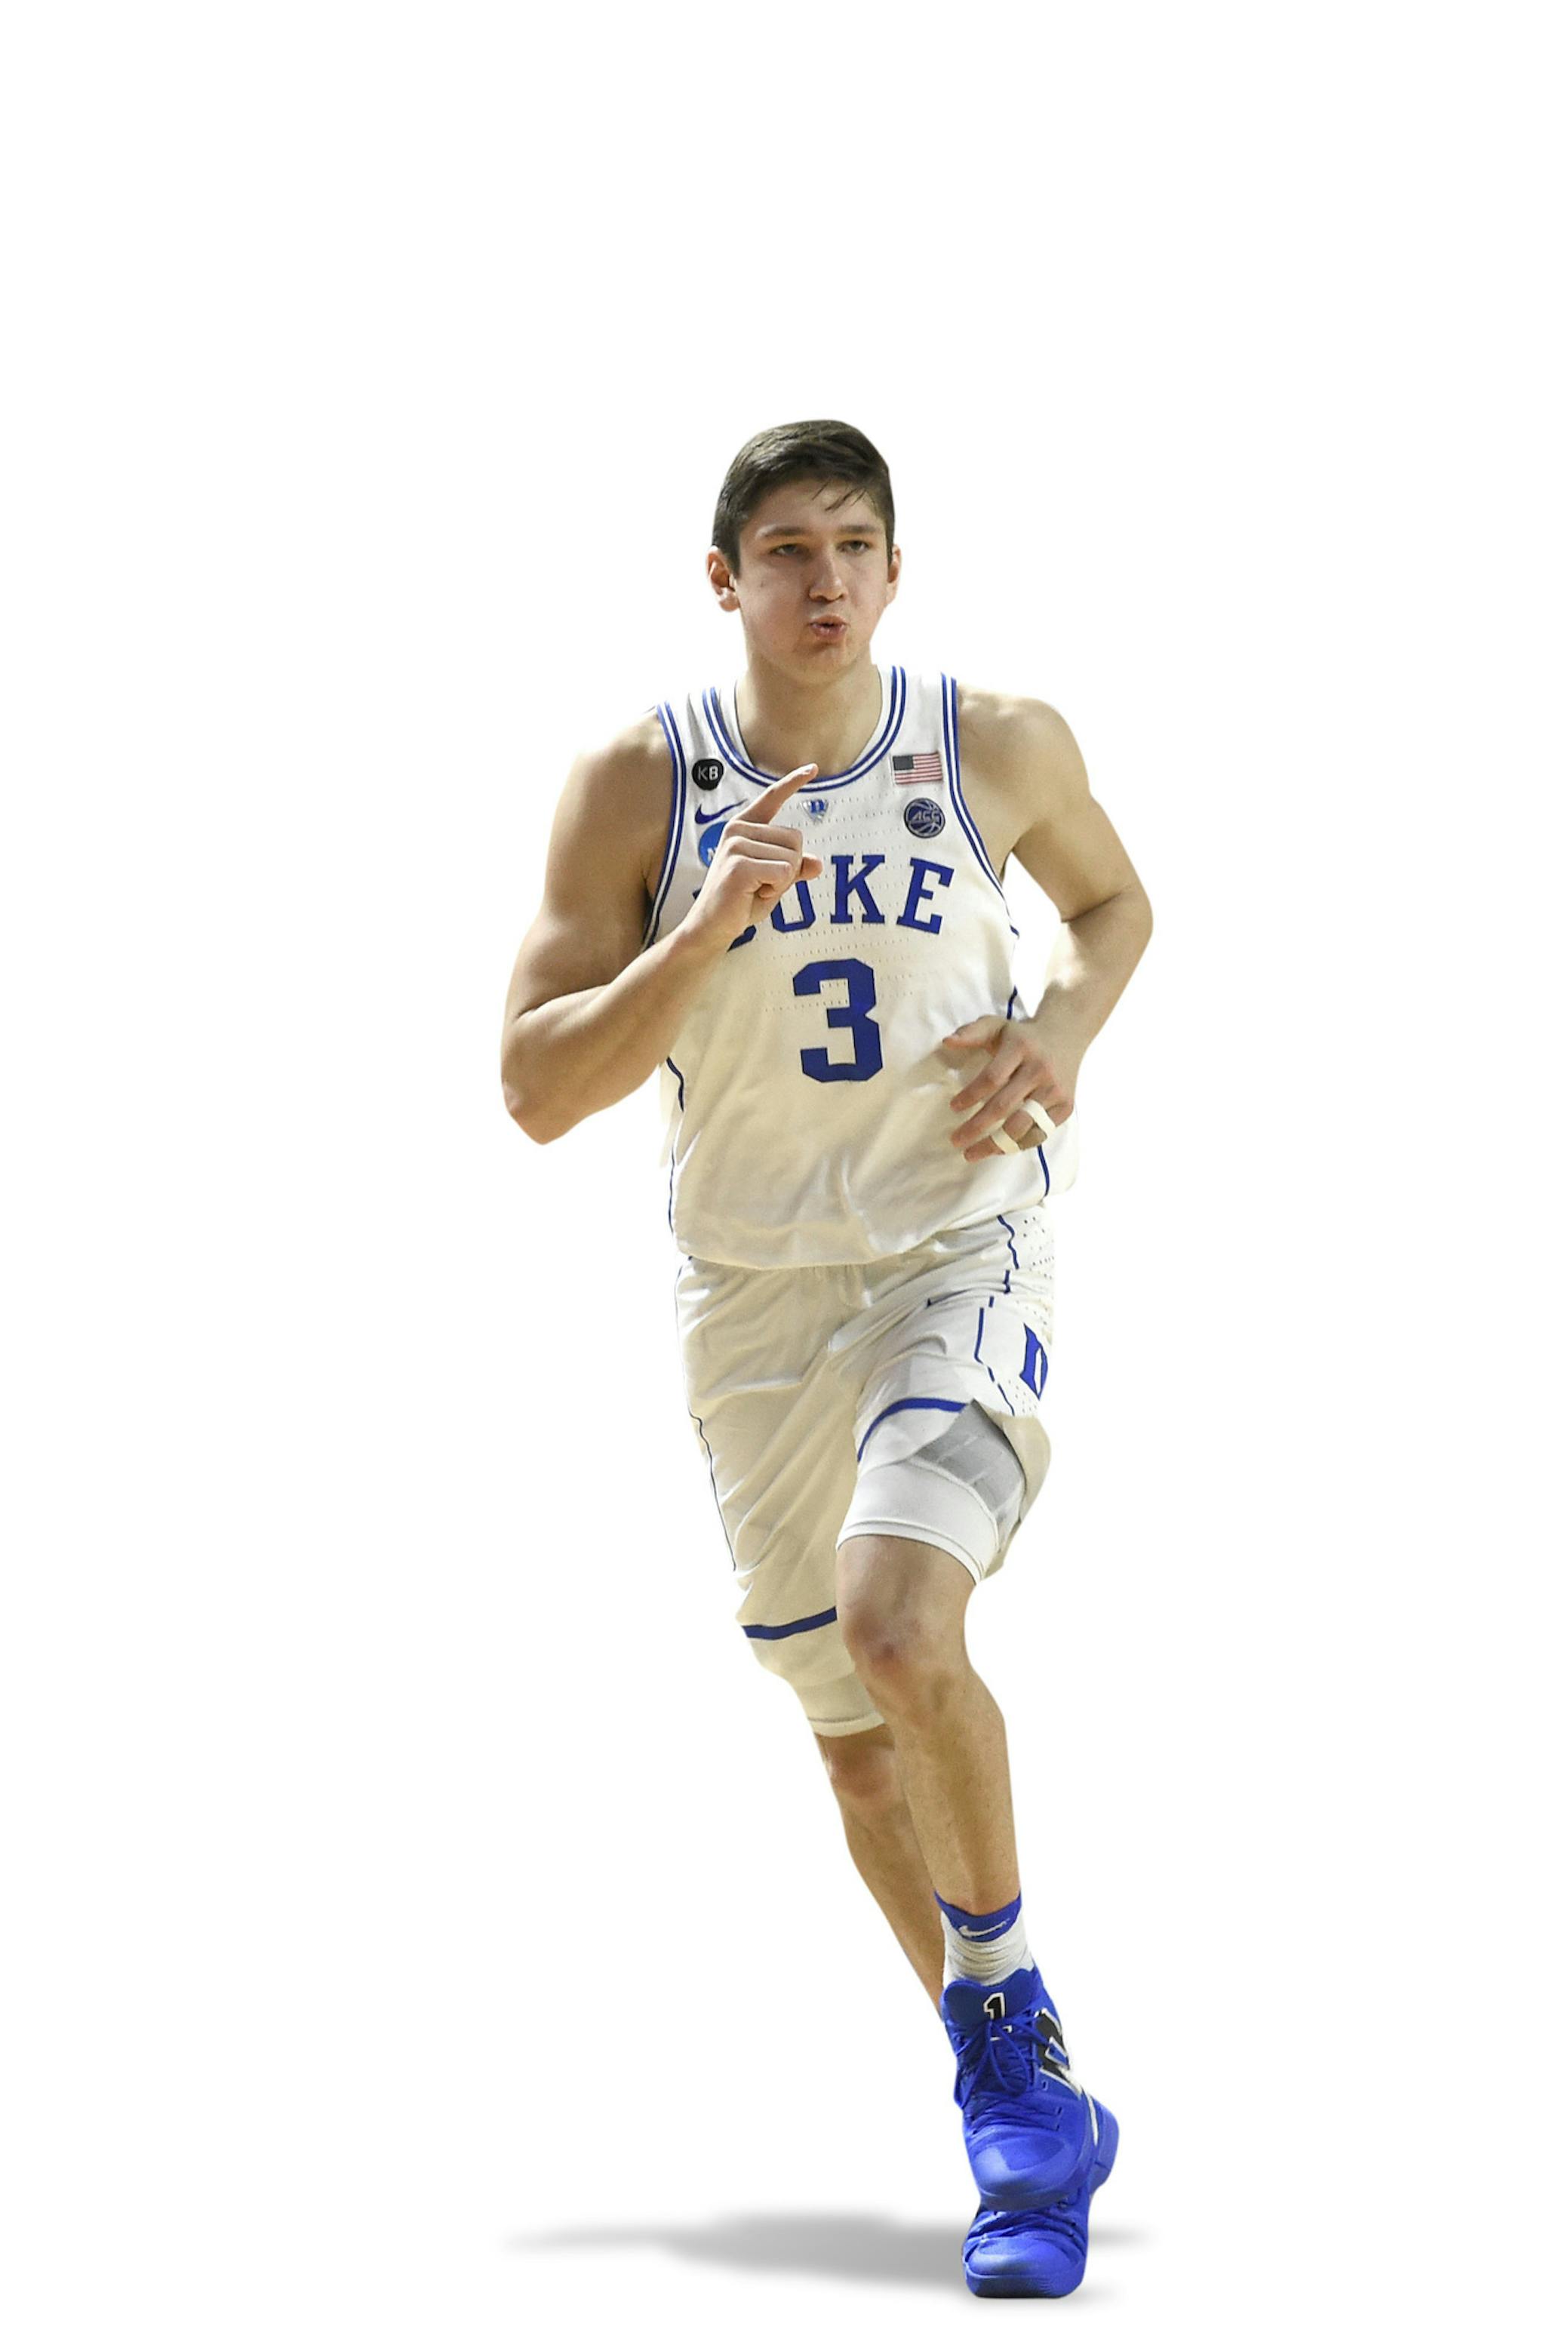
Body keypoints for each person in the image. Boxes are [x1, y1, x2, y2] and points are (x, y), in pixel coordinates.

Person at [500, 420, 1152, 2299]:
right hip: (758, 1297)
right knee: (863, 1761)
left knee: (898, 1617)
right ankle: (1011, 2059)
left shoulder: (992, 742)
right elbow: (536, 1090)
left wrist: (1070, 1027)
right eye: (783, 549)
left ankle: (1011, 2081)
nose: (822, 579)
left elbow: (1119, 904)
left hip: (959, 1241)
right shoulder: (642, 782)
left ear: (894, 569)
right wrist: (702, 925)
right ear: (725, 583)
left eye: (854, 545)